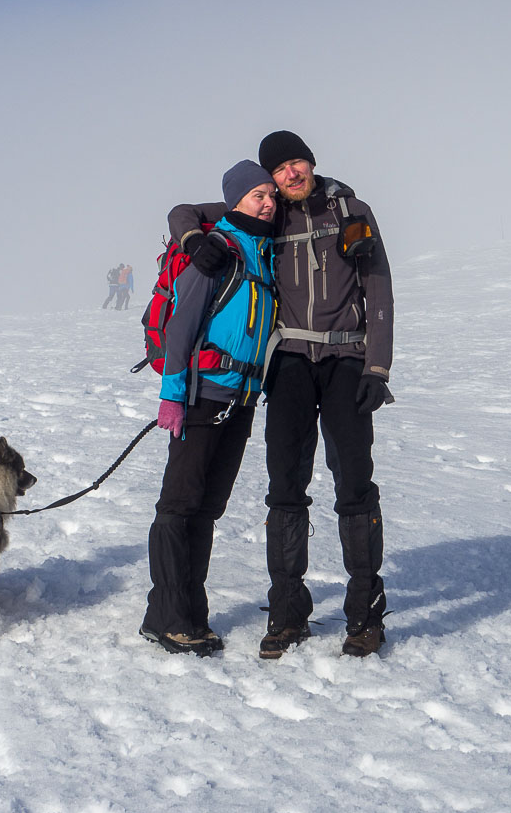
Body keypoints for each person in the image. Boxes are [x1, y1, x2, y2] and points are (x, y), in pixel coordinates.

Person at [168, 130, 394, 658]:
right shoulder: (271, 212)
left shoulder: (350, 209)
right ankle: (288, 611)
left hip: (346, 361)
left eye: (299, 163)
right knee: (284, 485)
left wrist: (377, 367)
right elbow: (183, 211)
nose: (291, 175)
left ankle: (365, 613)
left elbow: (378, 285)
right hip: (288, 363)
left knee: (355, 482)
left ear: (311, 164)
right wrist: (192, 241)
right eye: (281, 170)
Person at [141, 161, 278, 656]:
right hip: (201, 397)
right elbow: (181, 328)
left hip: (239, 402)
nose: (266, 202)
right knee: (179, 507)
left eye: (270, 195)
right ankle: (171, 617)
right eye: (257, 195)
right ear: (235, 200)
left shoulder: (262, 254)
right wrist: (172, 394)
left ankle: (183, 614)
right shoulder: (218, 249)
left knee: (205, 510)